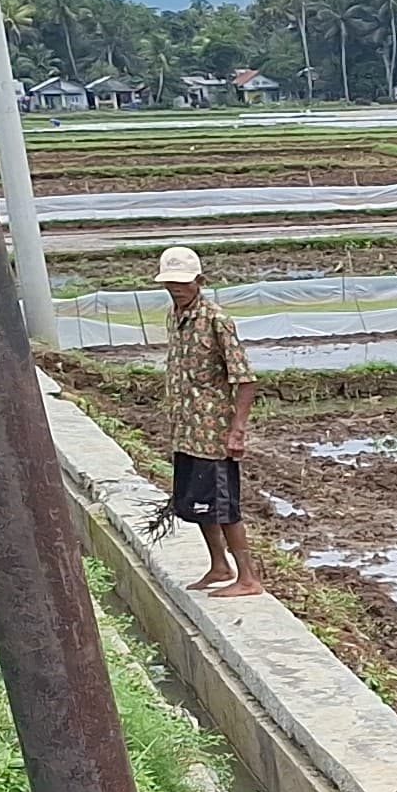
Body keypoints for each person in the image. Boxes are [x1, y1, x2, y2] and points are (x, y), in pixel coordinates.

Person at [154, 244, 262, 599]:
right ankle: (219, 566)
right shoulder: (175, 315)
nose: (176, 289)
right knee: (198, 503)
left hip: (213, 433)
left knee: (224, 504)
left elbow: (244, 378)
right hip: (185, 430)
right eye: (170, 283)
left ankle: (247, 577)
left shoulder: (216, 319)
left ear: (199, 280)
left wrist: (237, 430)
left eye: (183, 283)